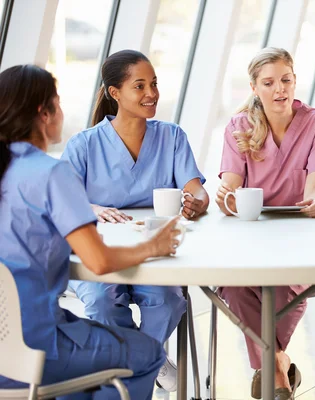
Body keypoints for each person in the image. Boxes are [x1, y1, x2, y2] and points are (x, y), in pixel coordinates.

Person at [0, 64, 184, 399]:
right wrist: (151, 247)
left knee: (88, 379)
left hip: (5, 353)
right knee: (148, 355)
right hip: (37, 348)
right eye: (58, 103)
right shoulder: (50, 174)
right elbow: (97, 261)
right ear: (45, 113)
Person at [61, 49, 209, 391]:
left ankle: (143, 358)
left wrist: (195, 204)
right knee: (101, 302)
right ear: (115, 93)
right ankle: (149, 360)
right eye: (140, 86)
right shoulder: (83, 145)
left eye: (154, 84)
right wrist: (94, 208)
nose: (151, 94)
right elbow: (65, 202)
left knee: (169, 301)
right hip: (99, 251)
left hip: (153, 250)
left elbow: (195, 189)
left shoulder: (172, 137)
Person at [215, 47, 315, 400]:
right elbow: (231, 189)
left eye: (286, 80)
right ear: (254, 87)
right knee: (234, 287)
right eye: (269, 82)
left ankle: (272, 372)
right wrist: (225, 196)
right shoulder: (239, 126)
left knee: (287, 289)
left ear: (295, 81)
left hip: (301, 237)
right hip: (252, 237)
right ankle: (278, 363)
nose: (279, 89)